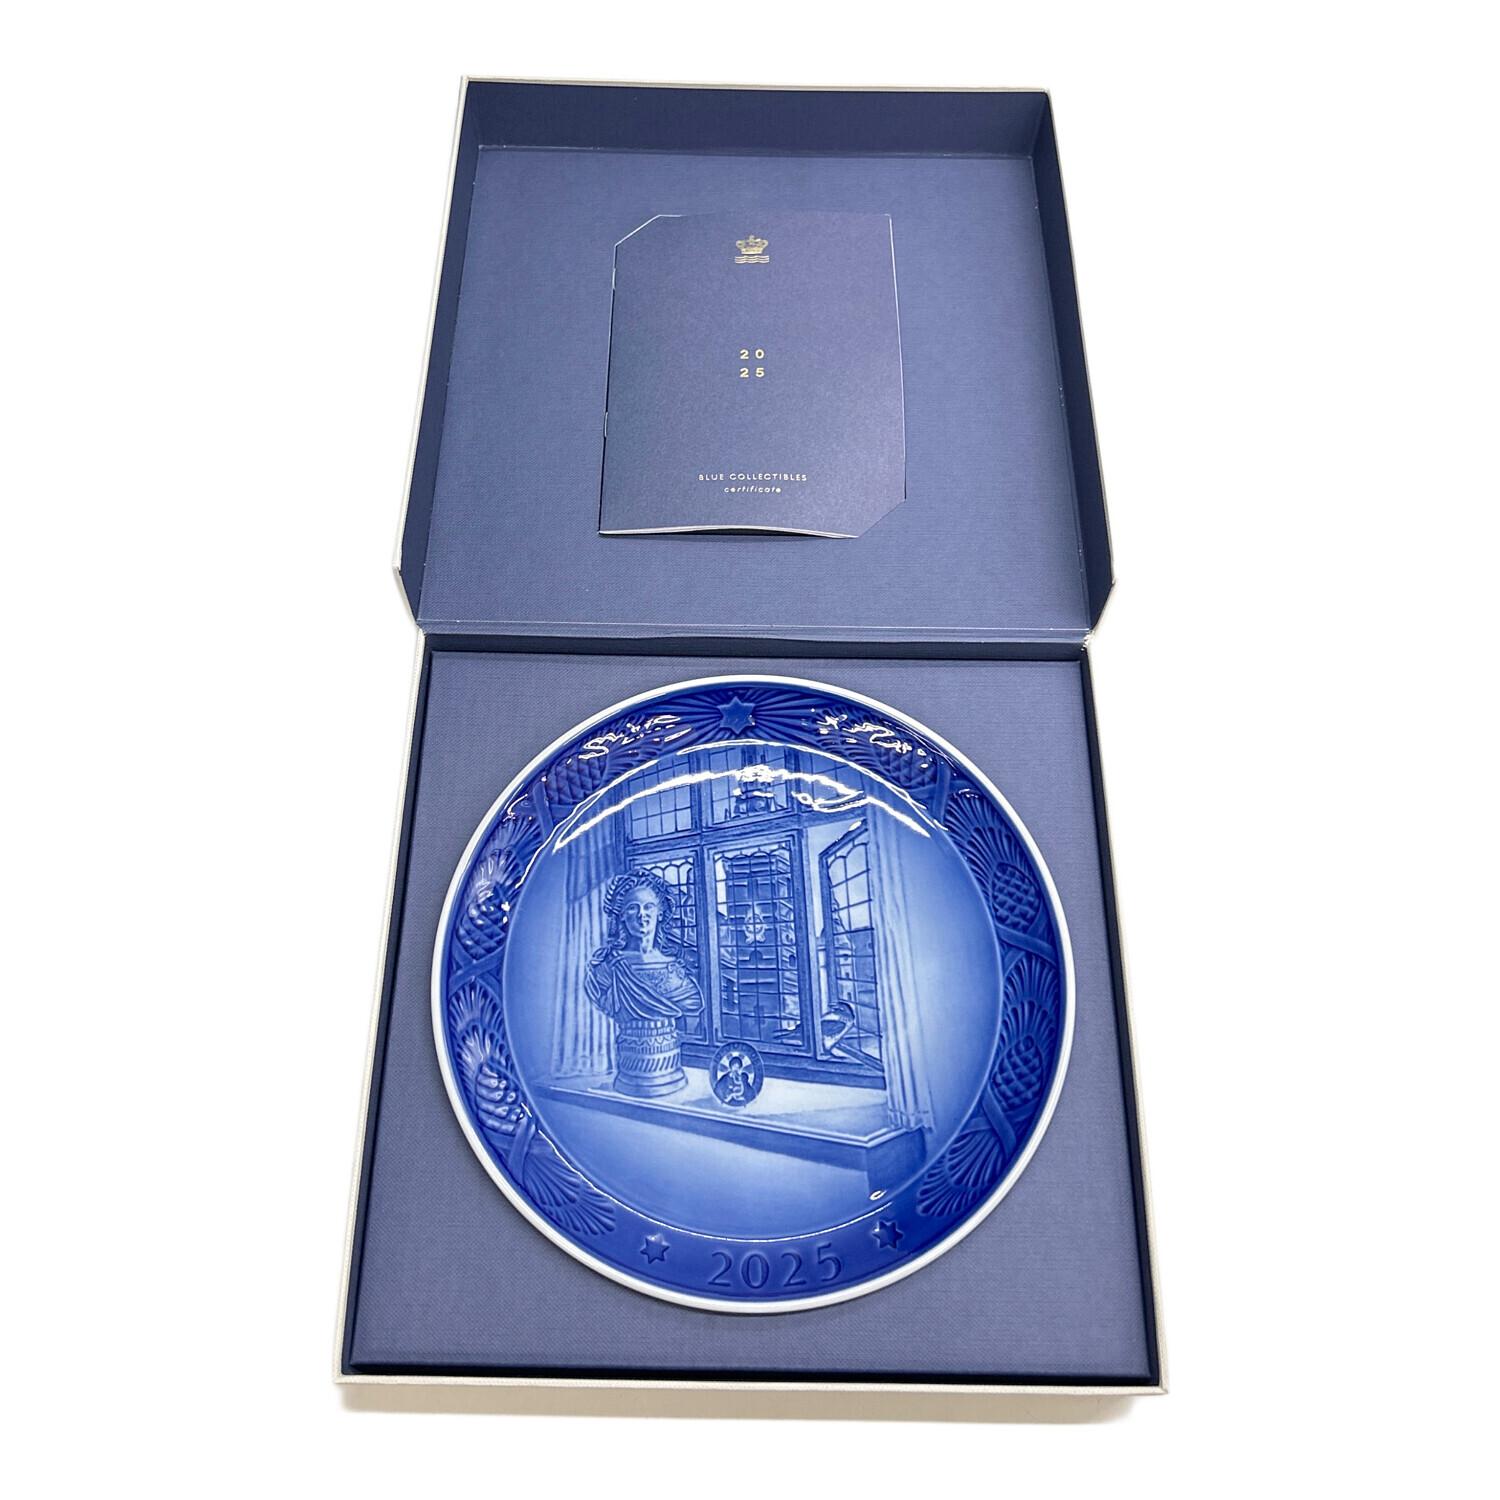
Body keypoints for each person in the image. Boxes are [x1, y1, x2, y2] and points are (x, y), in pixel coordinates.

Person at [585, 872, 703, 1096]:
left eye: (649, 907)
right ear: (621, 915)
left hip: (670, 1070)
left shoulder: (675, 968)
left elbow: (692, 1004)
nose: (642, 915)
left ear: (660, 913)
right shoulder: (607, 967)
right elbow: (600, 995)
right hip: (629, 1071)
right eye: (633, 908)